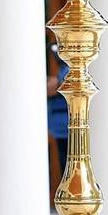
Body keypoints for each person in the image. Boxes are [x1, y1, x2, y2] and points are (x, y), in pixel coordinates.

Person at [47, 44, 70, 174]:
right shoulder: (62, 68)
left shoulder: (68, 69)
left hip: (69, 127)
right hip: (59, 128)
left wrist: (57, 84)